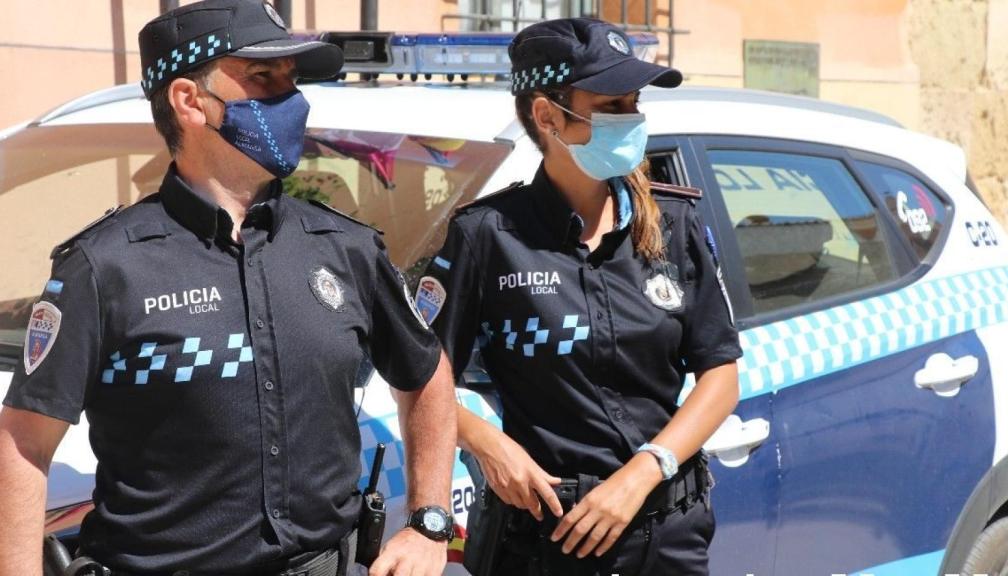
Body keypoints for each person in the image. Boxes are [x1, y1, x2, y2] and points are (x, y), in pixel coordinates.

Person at [0, 2, 457, 575]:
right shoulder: (104, 267)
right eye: (263, 78)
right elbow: (24, 444)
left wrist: (428, 522)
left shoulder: (345, 249)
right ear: (190, 101)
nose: (292, 100)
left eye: (292, 80)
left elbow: (428, 375)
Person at [416, 17, 742, 576]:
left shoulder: (674, 223)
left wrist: (642, 473)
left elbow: (721, 374)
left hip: (666, 535)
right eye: (612, 106)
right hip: (545, 542)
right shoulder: (487, 235)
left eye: (634, 103)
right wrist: (487, 443)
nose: (631, 119)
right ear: (548, 117)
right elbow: (421, 372)